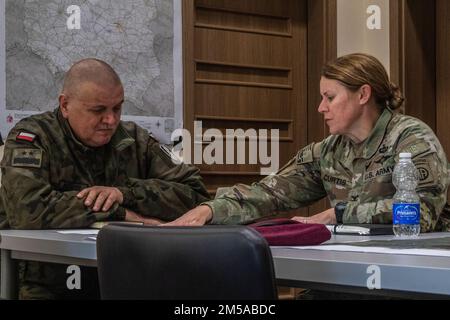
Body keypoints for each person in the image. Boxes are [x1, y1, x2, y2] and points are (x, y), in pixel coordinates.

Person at [0, 58, 210, 299]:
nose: (110, 120)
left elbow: (195, 195)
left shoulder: (134, 140)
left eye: (117, 108)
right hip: (48, 282)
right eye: (98, 110)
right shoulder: (33, 138)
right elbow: (26, 211)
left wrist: (125, 193)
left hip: (126, 277)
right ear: (65, 105)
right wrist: (121, 214)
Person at [166, 53, 449, 231]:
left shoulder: (411, 139)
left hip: (412, 275)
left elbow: (419, 214)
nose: (321, 108)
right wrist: (211, 209)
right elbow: (270, 193)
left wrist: (338, 214)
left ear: (363, 95)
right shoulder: (328, 151)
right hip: (353, 268)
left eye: (330, 97)